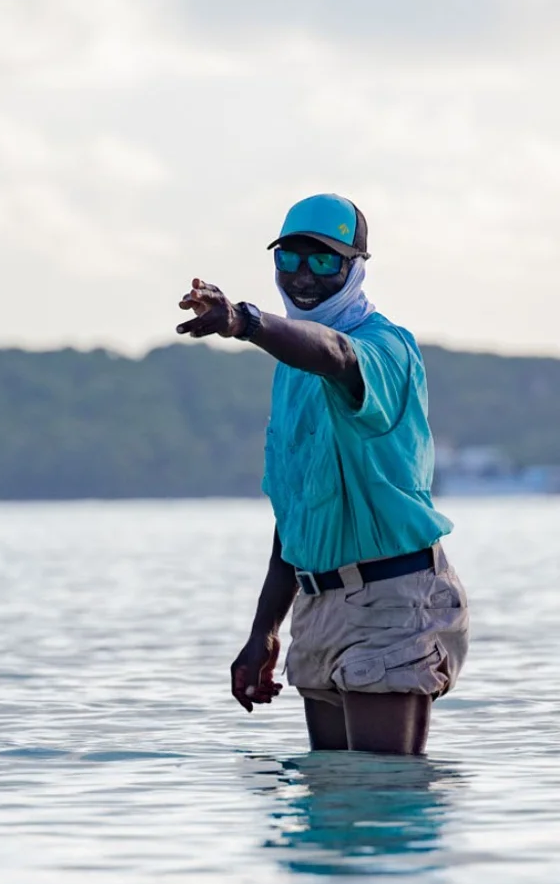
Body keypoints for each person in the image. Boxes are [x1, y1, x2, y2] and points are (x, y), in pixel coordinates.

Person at [175, 194, 468, 755]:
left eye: (325, 261)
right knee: (329, 807)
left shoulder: (386, 347)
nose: (305, 275)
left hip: (393, 601)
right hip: (318, 605)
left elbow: (335, 353)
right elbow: (297, 514)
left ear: (356, 267)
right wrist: (265, 630)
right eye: (291, 259)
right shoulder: (290, 370)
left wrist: (244, 320)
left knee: (383, 798)